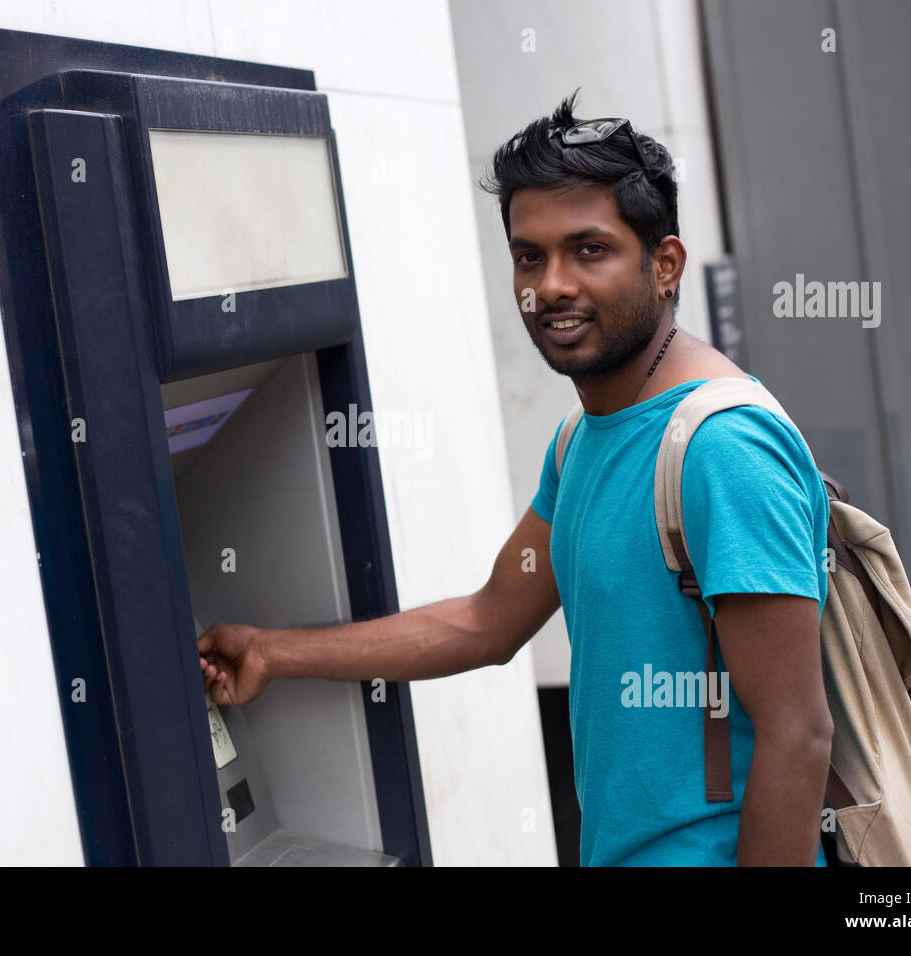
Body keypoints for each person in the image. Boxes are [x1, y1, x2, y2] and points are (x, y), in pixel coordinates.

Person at [197, 90, 833, 866]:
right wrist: (273, 651)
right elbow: (487, 621)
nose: (553, 284)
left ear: (664, 265)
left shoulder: (720, 448)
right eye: (530, 256)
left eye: (589, 250)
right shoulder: (581, 440)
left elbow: (798, 737)